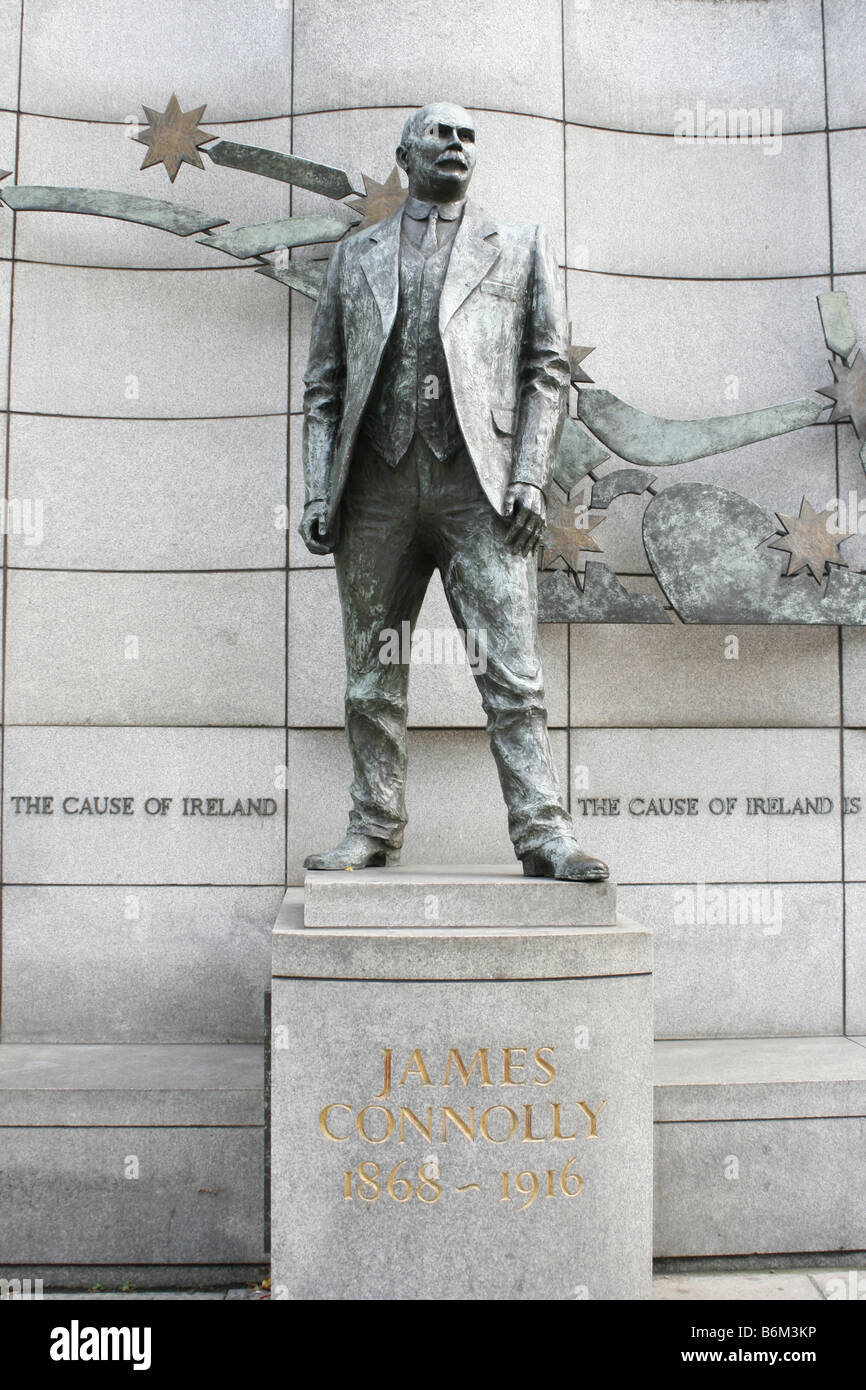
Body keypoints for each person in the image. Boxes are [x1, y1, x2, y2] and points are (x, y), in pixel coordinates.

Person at [299, 102, 608, 881]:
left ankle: (543, 834)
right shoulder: (354, 255)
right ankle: (373, 827)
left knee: (512, 673)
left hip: (484, 492)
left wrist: (532, 475)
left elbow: (546, 372)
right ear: (405, 153)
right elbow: (323, 389)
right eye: (441, 133)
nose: (458, 145)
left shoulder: (522, 247)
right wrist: (316, 489)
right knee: (371, 673)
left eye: (469, 136)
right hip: (374, 490)